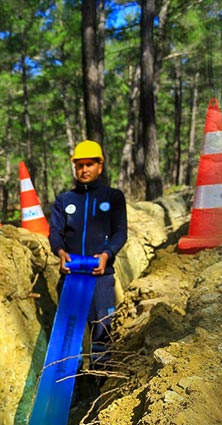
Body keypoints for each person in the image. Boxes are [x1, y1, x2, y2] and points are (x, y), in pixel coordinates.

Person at [47, 140, 128, 370]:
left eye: (89, 164)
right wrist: (60, 253)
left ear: (100, 166)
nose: (84, 170)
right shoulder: (64, 200)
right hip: (70, 276)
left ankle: (100, 380)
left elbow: (120, 232)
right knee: (68, 333)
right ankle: (68, 384)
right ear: (75, 167)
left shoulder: (113, 197)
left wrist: (106, 255)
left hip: (101, 276)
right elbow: (55, 233)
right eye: (80, 165)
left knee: (102, 330)